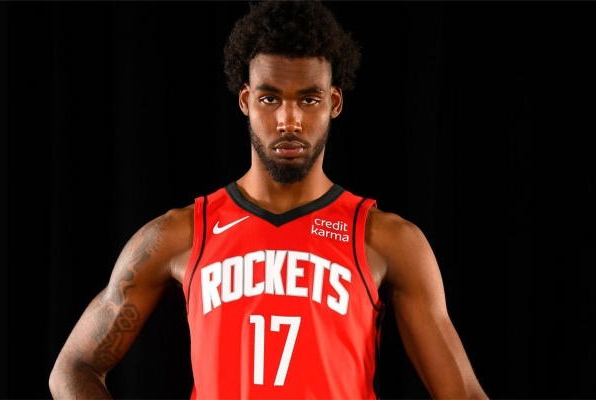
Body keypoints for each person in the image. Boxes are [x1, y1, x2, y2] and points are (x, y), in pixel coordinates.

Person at [49, 1, 489, 399]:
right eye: (269, 98)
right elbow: (73, 368)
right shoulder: (182, 234)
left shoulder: (387, 239)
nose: (288, 120)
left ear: (334, 102)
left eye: (309, 99)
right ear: (246, 100)